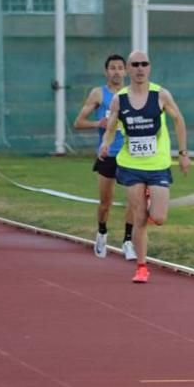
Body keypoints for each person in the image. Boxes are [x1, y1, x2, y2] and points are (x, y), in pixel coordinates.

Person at [98, 50, 190, 283]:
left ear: (149, 68)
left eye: (144, 64)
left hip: (158, 164)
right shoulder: (121, 98)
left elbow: (179, 120)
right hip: (130, 165)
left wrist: (183, 153)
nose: (140, 68)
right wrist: (106, 145)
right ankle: (141, 267)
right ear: (128, 69)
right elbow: (111, 125)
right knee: (139, 217)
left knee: (158, 217)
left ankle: (151, 200)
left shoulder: (160, 94)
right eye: (135, 65)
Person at [73, 53, 135, 260]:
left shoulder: (133, 93)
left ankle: (128, 241)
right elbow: (78, 122)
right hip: (107, 154)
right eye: (112, 68)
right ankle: (101, 232)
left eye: (120, 67)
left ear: (125, 71)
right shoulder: (98, 94)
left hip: (129, 154)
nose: (117, 71)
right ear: (106, 71)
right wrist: (97, 124)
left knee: (133, 201)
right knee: (105, 202)